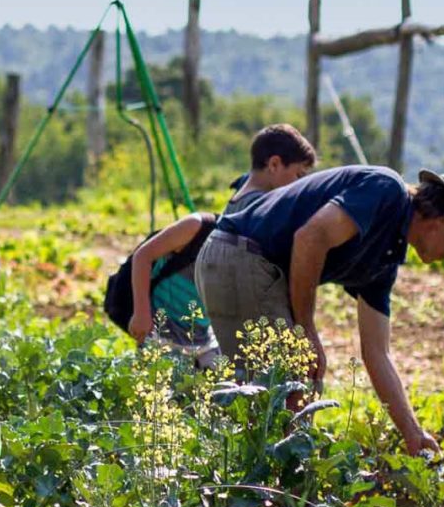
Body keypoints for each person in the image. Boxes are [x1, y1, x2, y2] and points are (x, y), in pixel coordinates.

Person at [193, 165, 444, 456]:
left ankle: (259, 488)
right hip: (242, 256)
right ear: (442, 219)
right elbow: (310, 237)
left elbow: (377, 353)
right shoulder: (386, 191)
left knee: (272, 392)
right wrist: (305, 330)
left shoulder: (386, 259)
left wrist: (412, 433)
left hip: (234, 261)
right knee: (294, 382)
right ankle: (277, 490)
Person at [105, 125, 318, 348]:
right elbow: (143, 255)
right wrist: (141, 314)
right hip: (162, 333)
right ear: (274, 164)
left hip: (202, 338)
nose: (299, 185)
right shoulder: (198, 226)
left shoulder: (248, 226)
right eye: (298, 175)